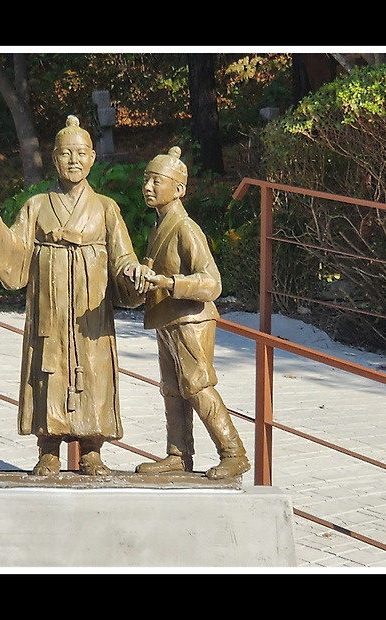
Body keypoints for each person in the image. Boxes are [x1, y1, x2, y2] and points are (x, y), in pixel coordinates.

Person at [0, 115, 147, 476]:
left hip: (89, 308)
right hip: (49, 305)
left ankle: (92, 449)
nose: (73, 160)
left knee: (93, 368)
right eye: (66, 153)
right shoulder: (36, 205)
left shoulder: (106, 208)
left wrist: (132, 272)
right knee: (47, 367)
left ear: (92, 158)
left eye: (81, 153)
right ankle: (48, 448)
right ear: (54, 159)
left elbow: (123, 256)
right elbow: (16, 253)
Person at [125, 147, 251, 480]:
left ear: (179, 189)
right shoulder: (158, 226)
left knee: (196, 385)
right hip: (167, 318)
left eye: (157, 181)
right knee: (171, 388)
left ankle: (234, 453)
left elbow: (212, 282)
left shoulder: (185, 228)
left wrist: (170, 283)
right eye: (146, 180)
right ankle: (178, 454)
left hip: (191, 319)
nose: (148, 187)